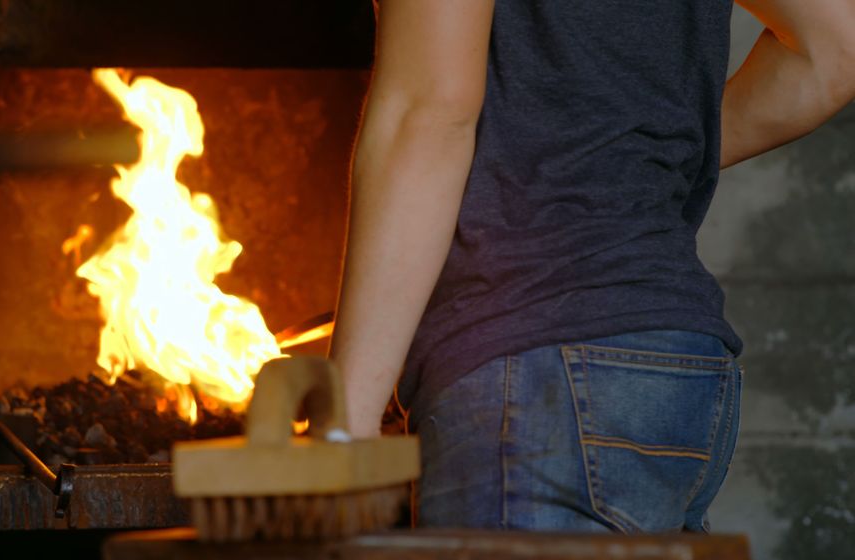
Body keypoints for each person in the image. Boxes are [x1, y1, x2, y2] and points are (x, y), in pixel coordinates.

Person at [329, 0, 855, 532]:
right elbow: (836, 48)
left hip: (535, 369)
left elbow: (428, 111)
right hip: (677, 360)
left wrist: (345, 420)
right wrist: (627, 165)